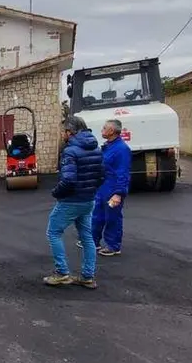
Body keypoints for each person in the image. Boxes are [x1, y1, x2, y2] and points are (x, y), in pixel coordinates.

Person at [44, 117, 104, 289]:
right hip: (88, 200)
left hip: (70, 200)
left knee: (53, 232)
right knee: (87, 237)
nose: (62, 135)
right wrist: (90, 191)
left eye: (63, 131)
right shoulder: (96, 149)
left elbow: (68, 180)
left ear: (70, 132)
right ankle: (87, 276)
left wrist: (56, 192)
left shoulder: (70, 151)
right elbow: (101, 176)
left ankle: (62, 272)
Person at [92, 119, 132, 257]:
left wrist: (118, 193)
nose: (102, 130)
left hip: (112, 188)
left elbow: (123, 173)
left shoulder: (122, 149)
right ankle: (94, 241)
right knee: (97, 215)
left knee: (112, 217)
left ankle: (113, 246)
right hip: (103, 187)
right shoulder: (108, 146)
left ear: (112, 131)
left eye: (104, 128)